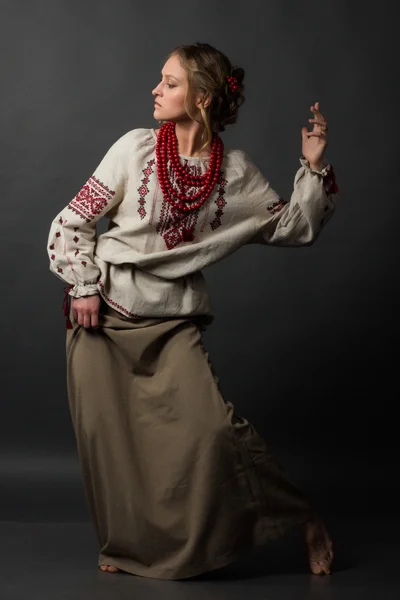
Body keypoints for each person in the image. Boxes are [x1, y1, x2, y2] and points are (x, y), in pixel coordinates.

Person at [47, 42, 337, 580]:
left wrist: (313, 170)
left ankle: (302, 517)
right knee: (113, 446)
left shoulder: (235, 175)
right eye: (160, 80)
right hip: (102, 317)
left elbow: (294, 227)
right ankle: (132, 548)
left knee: (214, 434)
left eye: (170, 82)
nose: (156, 90)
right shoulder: (134, 149)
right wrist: (83, 285)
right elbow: (70, 223)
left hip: (171, 322)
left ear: (201, 97)